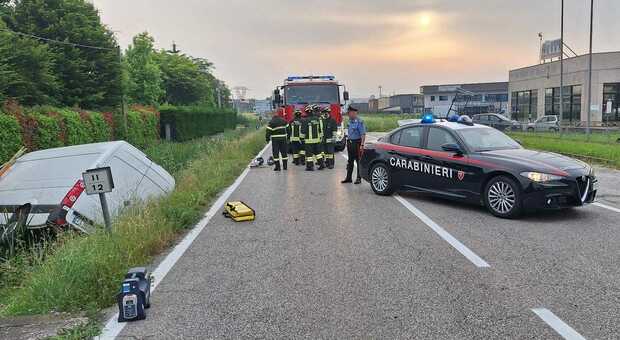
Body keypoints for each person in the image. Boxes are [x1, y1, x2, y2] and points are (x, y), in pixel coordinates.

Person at [342, 106, 366, 184]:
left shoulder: (360, 122)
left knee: (358, 161)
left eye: (349, 113)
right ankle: (348, 178)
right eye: (348, 113)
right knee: (350, 161)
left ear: (354, 113)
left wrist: (362, 145)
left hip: (357, 143)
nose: (348, 115)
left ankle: (359, 178)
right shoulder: (349, 121)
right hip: (350, 143)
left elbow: (363, 134)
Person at [301, 105, 323, 171]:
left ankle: (310, 167)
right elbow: (320, 129)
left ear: (306, 112)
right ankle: (321, 165)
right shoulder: (317, 119)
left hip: (308, 141)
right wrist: (320, 138)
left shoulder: (305, 120)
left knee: (309, 155)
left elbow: (303, 131)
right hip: (317, 140)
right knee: (318, 153)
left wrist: (301, 139)